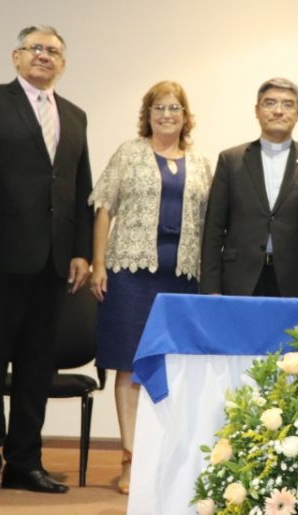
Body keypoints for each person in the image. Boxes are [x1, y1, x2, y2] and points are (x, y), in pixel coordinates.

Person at [0, 25, 94, 498]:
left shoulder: (75, 115)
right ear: (16, 56)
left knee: (38, 368)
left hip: (54, 264)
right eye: (36, 49)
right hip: (1, 260)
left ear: (64, 62)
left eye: (54, 51)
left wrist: (81, 251)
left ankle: (24, 462)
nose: (45, 56)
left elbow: (82, 189)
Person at [90, 80, 212, 493]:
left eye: (175, 108)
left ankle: (168, 456)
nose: (166, 115)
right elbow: (104, 207)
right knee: (129, 364)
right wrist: (98, 264)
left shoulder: (202, 163)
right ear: (148, 114)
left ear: (185, 116)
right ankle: (131, 458)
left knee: (173, 366)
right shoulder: (129, 153)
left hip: (181, 280)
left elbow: (212, 223)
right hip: (129, 276)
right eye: (159, 107)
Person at [201, 77, 298, 297]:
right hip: (239, 279)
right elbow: (213, 230)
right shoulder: (230, 161)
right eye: (269, 103)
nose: (278, 111)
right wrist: (211, 288)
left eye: (288, 104)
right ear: (257, 110)